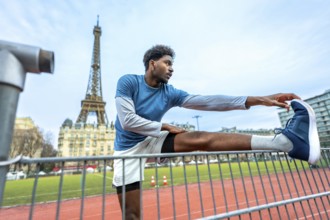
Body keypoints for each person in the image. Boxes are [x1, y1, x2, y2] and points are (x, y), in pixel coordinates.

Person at [112, 45, 320, 219]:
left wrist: (260, 99)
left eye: (172, 65)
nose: (171, 69)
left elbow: (209, 101)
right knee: (131, 216)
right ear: (152, 64)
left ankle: (283, 143)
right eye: (167, 63)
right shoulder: (129, 82)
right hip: (127, 151)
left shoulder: (170, 92)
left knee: (200, 138)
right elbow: (127, 121)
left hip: (152, 139)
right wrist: (165, 126)